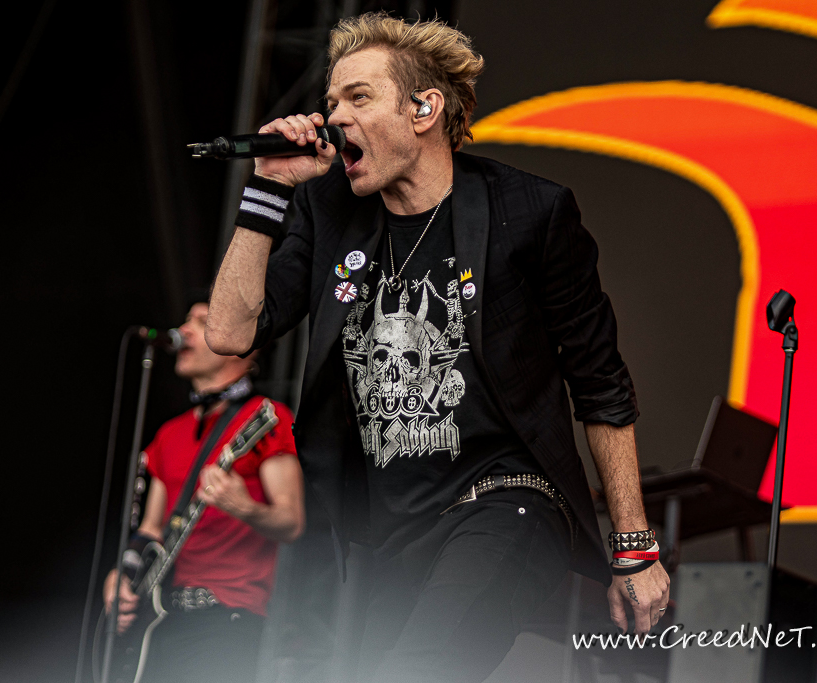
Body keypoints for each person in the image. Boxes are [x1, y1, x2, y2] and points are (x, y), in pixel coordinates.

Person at [206, 11, 670, 683]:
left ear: (423, 109)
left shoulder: (528, 213)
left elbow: (601, 384)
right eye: (331, 102)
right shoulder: (328, 211)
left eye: (359, 97)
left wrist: (634, 547)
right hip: (391, 532)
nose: (334, 119)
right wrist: (269, 188)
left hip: (506, 500)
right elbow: (229, 332)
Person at [103, 291, 305, 683]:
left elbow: (292, 522)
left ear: (242, 345)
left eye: (201, 321)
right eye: (186, 320)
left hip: (228, 618)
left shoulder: (268, 418)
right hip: (162, 619)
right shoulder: (169, 433)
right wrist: (121, 577)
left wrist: (244, 507)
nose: (184, 330)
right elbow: (151, 529)